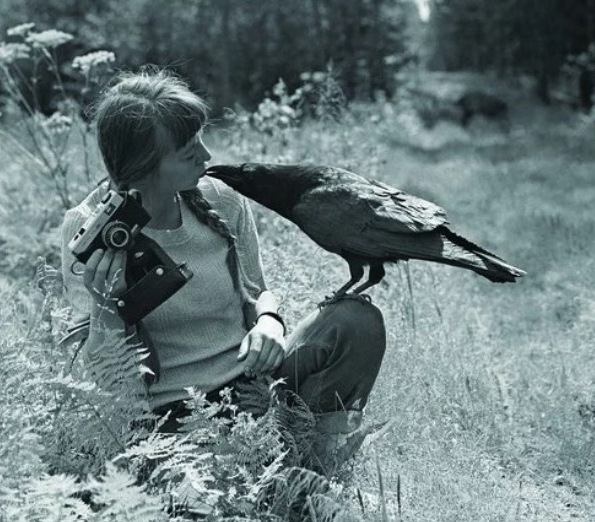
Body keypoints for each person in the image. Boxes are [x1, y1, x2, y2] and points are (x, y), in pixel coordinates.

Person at [59, 70, 387, 474]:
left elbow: (258, 291)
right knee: (229, 490)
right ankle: (291, 480)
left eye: (201, 138)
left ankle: (317, 460)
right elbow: (112, 388)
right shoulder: (91, 231)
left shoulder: (220, 198)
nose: (208, 156)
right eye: (188, 151)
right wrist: (105, 306)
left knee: (357, 320)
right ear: (145, 166)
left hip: (252, 383)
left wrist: (270, 322)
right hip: (174, 420)